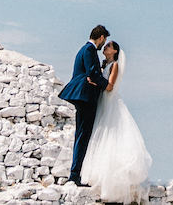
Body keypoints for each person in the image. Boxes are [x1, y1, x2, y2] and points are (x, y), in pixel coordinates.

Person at [81, 40, 153, 203]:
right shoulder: (105, 64)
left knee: (110, 135)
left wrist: (96, 83)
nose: (105, 47)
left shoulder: (114, 66)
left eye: (108, 46)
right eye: (105, 46)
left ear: (114, 52)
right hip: (103, 102)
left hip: (109, 102)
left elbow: (110, 86)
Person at [58, 25, 110, 186]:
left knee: (82, 134)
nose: (104, 44)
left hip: (83, 96)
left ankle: (77, 173)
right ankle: (75, 175)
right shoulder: (89, 50)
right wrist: (107, 85)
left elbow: (92, 74)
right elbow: (92, 73)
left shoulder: (85, 49)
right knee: (83, 135)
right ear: (101, 37)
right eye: (104, 40)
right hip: (85, 97)